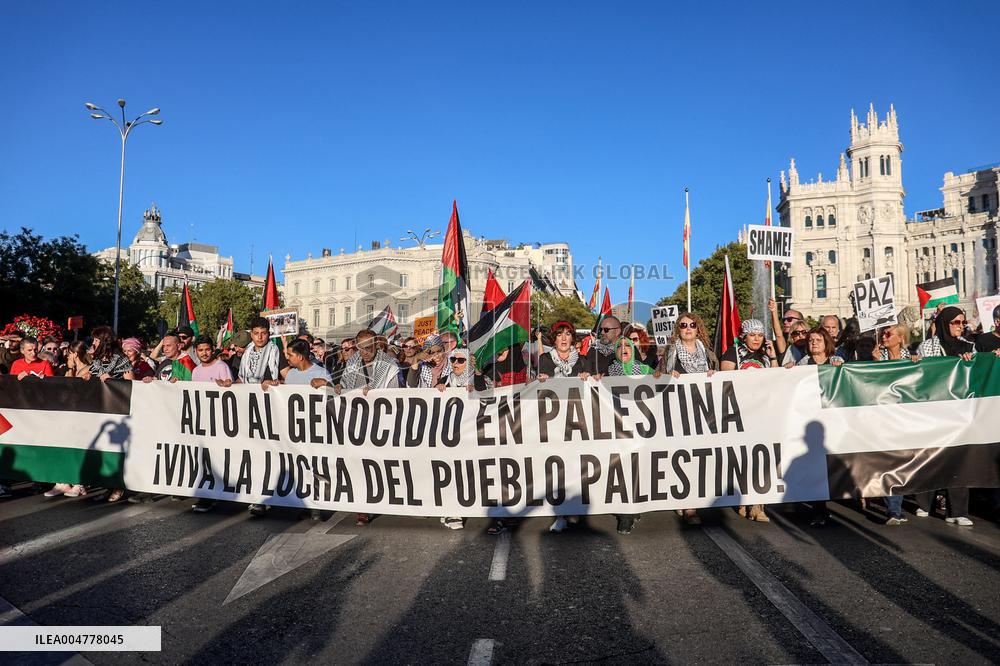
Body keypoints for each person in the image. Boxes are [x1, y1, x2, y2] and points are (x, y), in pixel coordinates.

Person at [913, 306, 976, 526]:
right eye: (955, 322)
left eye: (963, 322)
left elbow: (976, 374)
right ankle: (924, 502)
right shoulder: (928, 346)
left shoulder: (970, 346)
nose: (960, 326)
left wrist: (972, 362)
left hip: (959, 412)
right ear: (944, 323)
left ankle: (957, 511)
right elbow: (920, 374)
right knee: (931, 456)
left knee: (959, 459)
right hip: (933, 410)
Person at [655, 312, 718, 528]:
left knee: (698, 456)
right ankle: (688, 504)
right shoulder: (671, 351)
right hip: (677, 410)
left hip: (702, 411)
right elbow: (657, 377)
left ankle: (691, 502)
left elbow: (720, 378)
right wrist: (666, 375)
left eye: (692, 325)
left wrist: (713, 373)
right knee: (681, 456)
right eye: (683, 325)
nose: (688, 328)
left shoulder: (707, 353)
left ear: (698, 328)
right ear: (678, 329)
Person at [719, 319, 776, 522]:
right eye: (753, 335)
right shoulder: (733, 353)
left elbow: (777, 378)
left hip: (763, 415)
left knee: (763, 458)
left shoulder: (766, 356)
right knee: (744, 460)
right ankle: (744, 498)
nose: (757, 339)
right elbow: (725, 380)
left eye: (760, 336)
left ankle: (758, 506)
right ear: (744, 336)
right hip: (740, 415)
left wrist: (773, 356)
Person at [236, 317, 283, 517]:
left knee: (268, 454)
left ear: (268, 333)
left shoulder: (276, 352)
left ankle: (266, 496)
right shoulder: (246, 353)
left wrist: (275, 382)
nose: (260, 337)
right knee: (251, 454)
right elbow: (241, 378)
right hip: (249, 410)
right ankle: (256, 496)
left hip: (269, 410)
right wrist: (230, 383)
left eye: (263, 333)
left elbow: (285, 377)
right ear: (251, 333)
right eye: (256, 333)